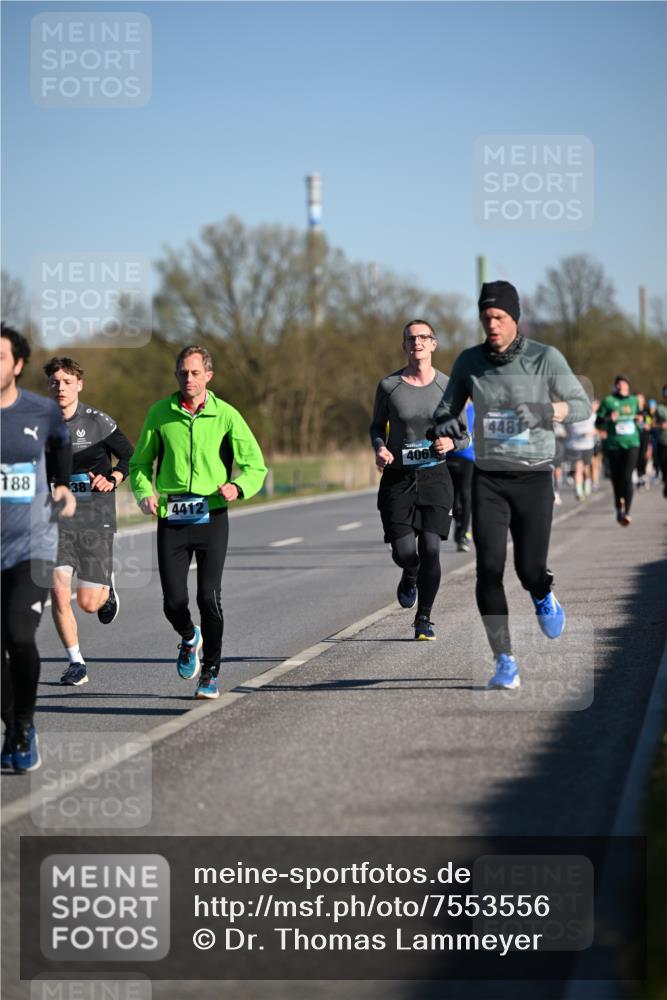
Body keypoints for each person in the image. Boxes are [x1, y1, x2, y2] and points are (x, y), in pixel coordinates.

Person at [432, 281, 592, 690]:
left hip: (535, 476)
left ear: (514, 318)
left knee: (529, 568)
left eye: (499, 317)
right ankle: (504, 660)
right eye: (486, 317)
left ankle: (543, 592)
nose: (492, 324)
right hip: (489, 478)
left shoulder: (544, 357)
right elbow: (444, 408)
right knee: (488, 569)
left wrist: (544, 409)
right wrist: (446, 422)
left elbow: (580, 405)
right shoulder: (470, 361)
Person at [129, 345, 267, 699]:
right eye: (182, 373)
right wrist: (145, 492)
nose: (188, 379)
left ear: (208, 375)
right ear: (176, 375)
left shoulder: (227, 415)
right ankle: (190, 637)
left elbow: (256, 465)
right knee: (173, 602)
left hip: (212, 514)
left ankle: (211, 671)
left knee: (209, 597)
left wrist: (238, 486)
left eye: (194, 373)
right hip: (172, 516)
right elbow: (139, 464)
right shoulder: (160, 414)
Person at [1, 324, 75, 772]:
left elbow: (62, 444)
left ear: (18, 364)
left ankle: (25, 726)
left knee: (19, 636)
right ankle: (12, 723)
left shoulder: (41, 411)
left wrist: (62, 485)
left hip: (32, 544)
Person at [370, 319, 468, 641]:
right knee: (404, 552)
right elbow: (375, 428)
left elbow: (465, 436)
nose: (418, 343)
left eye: (424, 337)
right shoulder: (389, 386)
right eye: (412, 338)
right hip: (398, 479)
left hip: (435, 477)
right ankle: (409, 574)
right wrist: (380, 448)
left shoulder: (448, 387)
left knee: (431, 549)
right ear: (405, 345)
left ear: (434, 344)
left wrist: (451, 444)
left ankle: (423, 618)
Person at [44, 357, 134, 686]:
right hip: (58, 521)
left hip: (96, 517)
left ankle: (106, 588)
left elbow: (130, 454)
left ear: (79, 385)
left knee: (87, 603)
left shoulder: (97, 422)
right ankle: (76, 662)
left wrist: (113, 477)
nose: (61, 388)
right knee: (57, 588)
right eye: (55, 382)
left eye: (67, 382)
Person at [595, 375, 641, 525]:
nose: (621, 387)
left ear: (628, 386)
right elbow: (598, 422)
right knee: (617, 479)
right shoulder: (608, 401)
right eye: (619, 385)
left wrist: (641, 420)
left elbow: (645, 417)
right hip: (614, 445)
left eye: (624, 384)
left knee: (627, 477)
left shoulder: (634, 401)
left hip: (632, 443)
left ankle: (626, 512)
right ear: (616, 387)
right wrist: (609, 418)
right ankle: (618, 508)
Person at [447, 400, 475, 551]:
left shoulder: (474, 410)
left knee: (465, 495)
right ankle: (459, 525)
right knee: (451, 498)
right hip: (449, 456)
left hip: (468, 458)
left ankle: (463, 535)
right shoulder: (449, 409)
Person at [565, 410, 597, 500]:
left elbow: (595, 429)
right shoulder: (571, 416)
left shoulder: (591, 415)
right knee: (578, 469)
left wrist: (590, 433)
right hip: (575, 446)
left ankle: (587, 484)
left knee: (586, 468)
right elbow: (567, 430)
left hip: (588, 446)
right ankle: (578, 491)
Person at [654, 385, 667, 496]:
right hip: (663, 442)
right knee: (664, 466)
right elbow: (652, 424)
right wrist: (660, 425)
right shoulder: (659, 409)